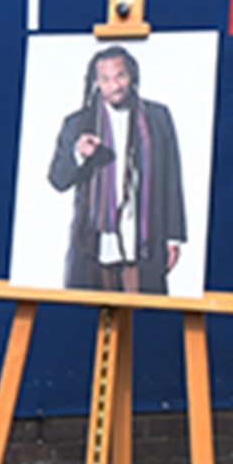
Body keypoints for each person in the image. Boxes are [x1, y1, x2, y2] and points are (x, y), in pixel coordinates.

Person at [45, 44, 187, 294]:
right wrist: (78, 155)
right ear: (96, 83)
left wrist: (173, 237)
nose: (115, 85)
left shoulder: (158, 117)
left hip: (143, 241)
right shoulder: (77, 123)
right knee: (91, 320)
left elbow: (171, 179)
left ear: (132, 76)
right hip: (94, 244)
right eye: (106, 79)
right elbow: (58, 179)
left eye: (120, 75)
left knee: (144, 320)